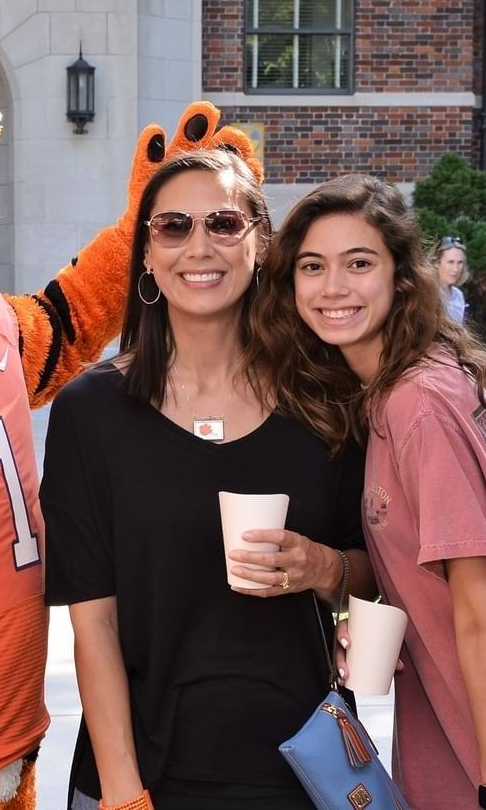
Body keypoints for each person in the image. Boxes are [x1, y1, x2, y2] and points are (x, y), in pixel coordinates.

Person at [41, 148, 376, 810]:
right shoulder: (90, 411)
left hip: (304, 770)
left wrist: (321, 566)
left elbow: (374, 579)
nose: (199, 246)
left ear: (259, 244)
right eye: (173, 226)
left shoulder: (325, 400)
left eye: (223, 223)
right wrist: (121, 793)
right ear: (145, 253)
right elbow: (94, 625)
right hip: (143, 772)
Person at [252, 174, 486, 810]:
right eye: (312, 266)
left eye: (358, 263)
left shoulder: (419, 404)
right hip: (443, 743)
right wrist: (346, 597)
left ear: (399, 277)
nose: (333, 287)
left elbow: (484, 614)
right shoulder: (394, 394)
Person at [433, 234, 470, 324]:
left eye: (460, 262)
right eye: (451, 262)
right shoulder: (427, 294)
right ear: (437, 263)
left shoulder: (458, 295)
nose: (456, 269)